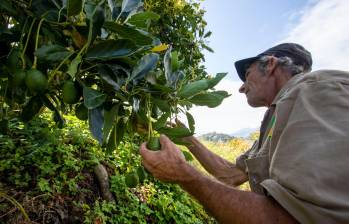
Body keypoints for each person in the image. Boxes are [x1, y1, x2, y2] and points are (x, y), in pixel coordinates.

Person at [140, 43, 349, 223]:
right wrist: (187, 138)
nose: (241, 88)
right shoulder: (278, 115)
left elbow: (296, 218)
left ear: (270, 64)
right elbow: (231, 175)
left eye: (247, 74)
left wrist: (184, 174)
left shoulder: (314, 92)